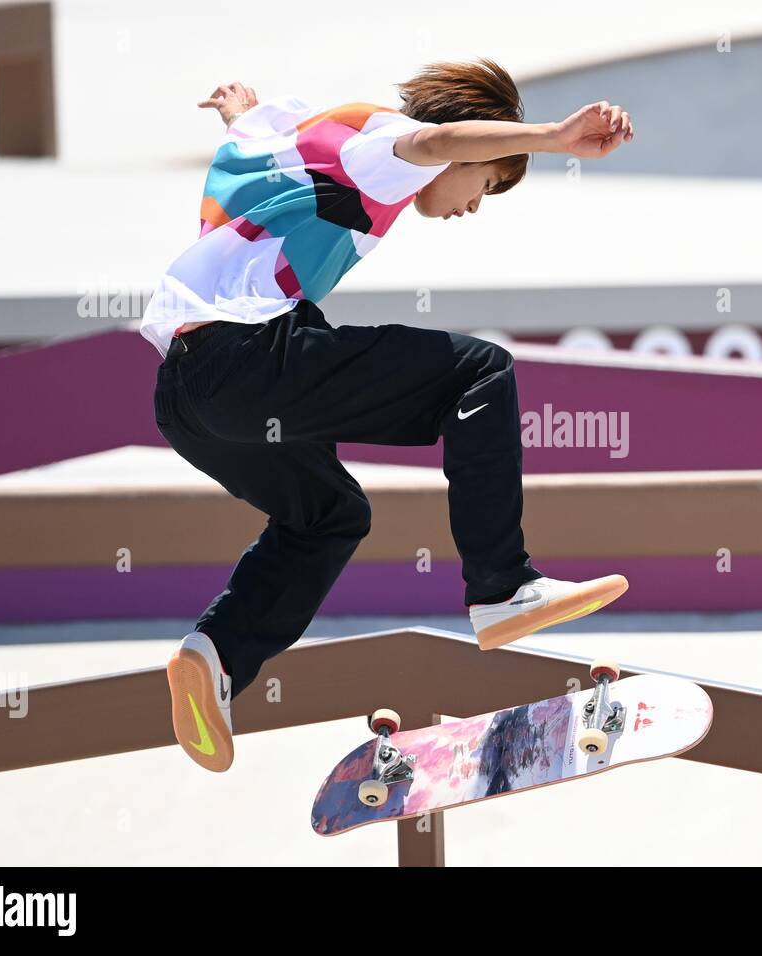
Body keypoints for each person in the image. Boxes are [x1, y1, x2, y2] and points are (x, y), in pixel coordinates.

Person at [145, 59, 632, 772]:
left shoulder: (277, 133)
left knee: (328, 516)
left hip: (185, 397)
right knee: (479, 369)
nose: (473, 204)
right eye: (488, 183)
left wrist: (236, 106)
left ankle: (214, 656)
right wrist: (556, 137)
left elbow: (248, 125)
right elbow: (434, 146)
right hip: (249, 356)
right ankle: (502, 588)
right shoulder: (377, 139)